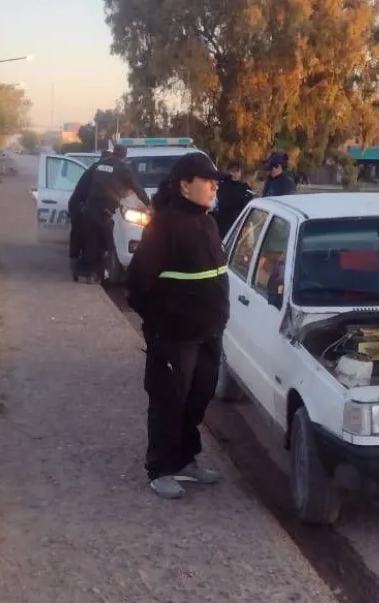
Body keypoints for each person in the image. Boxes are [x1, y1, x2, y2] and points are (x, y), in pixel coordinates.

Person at [125, 153, 230, 500]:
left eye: (215, 179)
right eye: (207, 179)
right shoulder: (164, 226)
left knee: (198, 397)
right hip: (173, 337)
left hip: (208, 334)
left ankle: (186, 460)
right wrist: (159, 324)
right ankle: (160, 468)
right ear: (185, 185)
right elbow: (137, 285)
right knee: (169, 400)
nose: (215, 185)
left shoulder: (209, 222)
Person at [78, 144, 151, 284]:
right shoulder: (123, 168)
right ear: (124, 155)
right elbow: (137, 188)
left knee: (91, 242)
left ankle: (87, 274)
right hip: (104, 212)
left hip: (90, 208)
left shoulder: (101, 164)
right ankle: (99, 276)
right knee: (106, 245)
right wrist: (148, 204)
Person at [67, 149, 111, 281]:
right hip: (83, 209)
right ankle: (86, 273)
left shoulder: (93, 169)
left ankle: (77, 271)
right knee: (91, 243)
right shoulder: (98, 173)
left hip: (78, 208)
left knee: (80, 241)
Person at [213, 159, 254, 238]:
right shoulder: (223, 184)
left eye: (237, 171)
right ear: (230, 171)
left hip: (235, 222)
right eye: (233, 171)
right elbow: (222, 200)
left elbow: (246, 206)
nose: (236, 174)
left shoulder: (245, 188)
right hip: (222, 220)